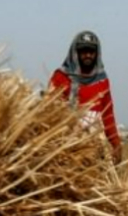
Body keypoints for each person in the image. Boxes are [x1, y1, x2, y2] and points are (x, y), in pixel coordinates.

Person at [47, 29, 122, 162]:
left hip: (94, 145)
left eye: (91, 51)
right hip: (66, 145)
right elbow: (50, 112)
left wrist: (115, 143)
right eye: (83, 51)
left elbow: (107, 115)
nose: (88, 55)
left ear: (97, 54)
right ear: (75, 53)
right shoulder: (60, 77)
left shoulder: (102, 81)